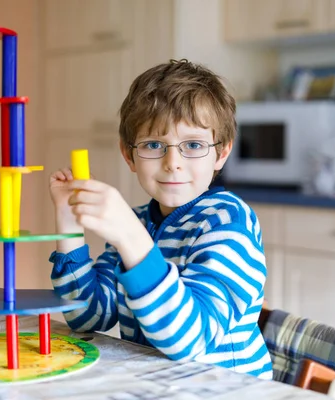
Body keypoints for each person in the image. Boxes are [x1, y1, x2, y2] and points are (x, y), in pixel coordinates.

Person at [48, 59, 272, 379]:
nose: (173, 163)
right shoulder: (139, 222)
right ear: (129, 155)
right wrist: (68, 223)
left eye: (193, 145)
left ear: (221, 153)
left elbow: (188, 340)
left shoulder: (228, 223)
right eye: (154, 145)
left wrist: (130, 236)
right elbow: (88, 317)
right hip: (157, 386)